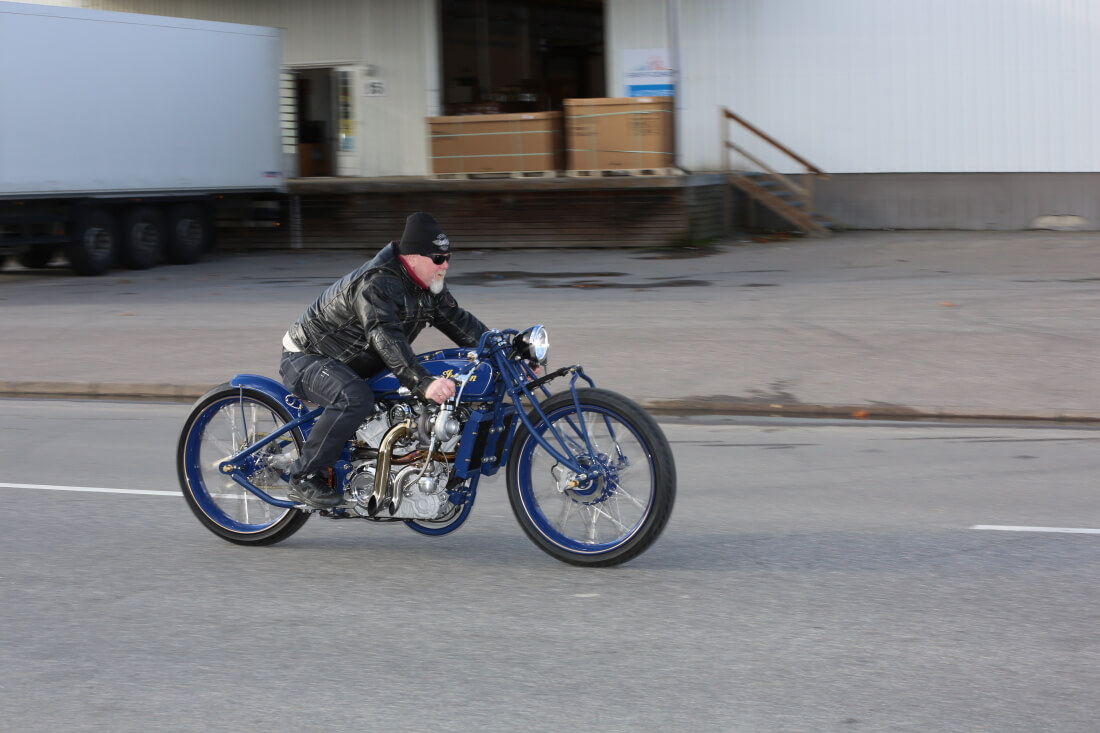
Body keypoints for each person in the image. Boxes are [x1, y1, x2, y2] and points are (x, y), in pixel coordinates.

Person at [279, 212, 489, 508]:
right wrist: (422, 381)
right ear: (413, 257)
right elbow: (384, 335)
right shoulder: (376, 283)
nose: (446, 265)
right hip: (308, 357)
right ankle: (303, 476)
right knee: (354, 397)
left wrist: (504, 352)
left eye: (447, 257)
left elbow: (459, 321)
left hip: (356, 363)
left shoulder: (428, 286)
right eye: (438, 258)